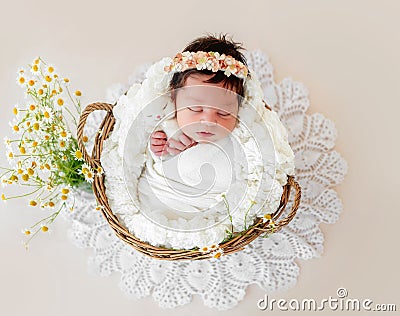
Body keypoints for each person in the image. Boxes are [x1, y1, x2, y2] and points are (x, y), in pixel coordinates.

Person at [149, 33, 248, 158]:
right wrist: (158, 148)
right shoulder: (168, 128)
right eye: (196, 108)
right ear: (174, 98)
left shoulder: (239, 141)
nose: (209, 121)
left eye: (223, 113)